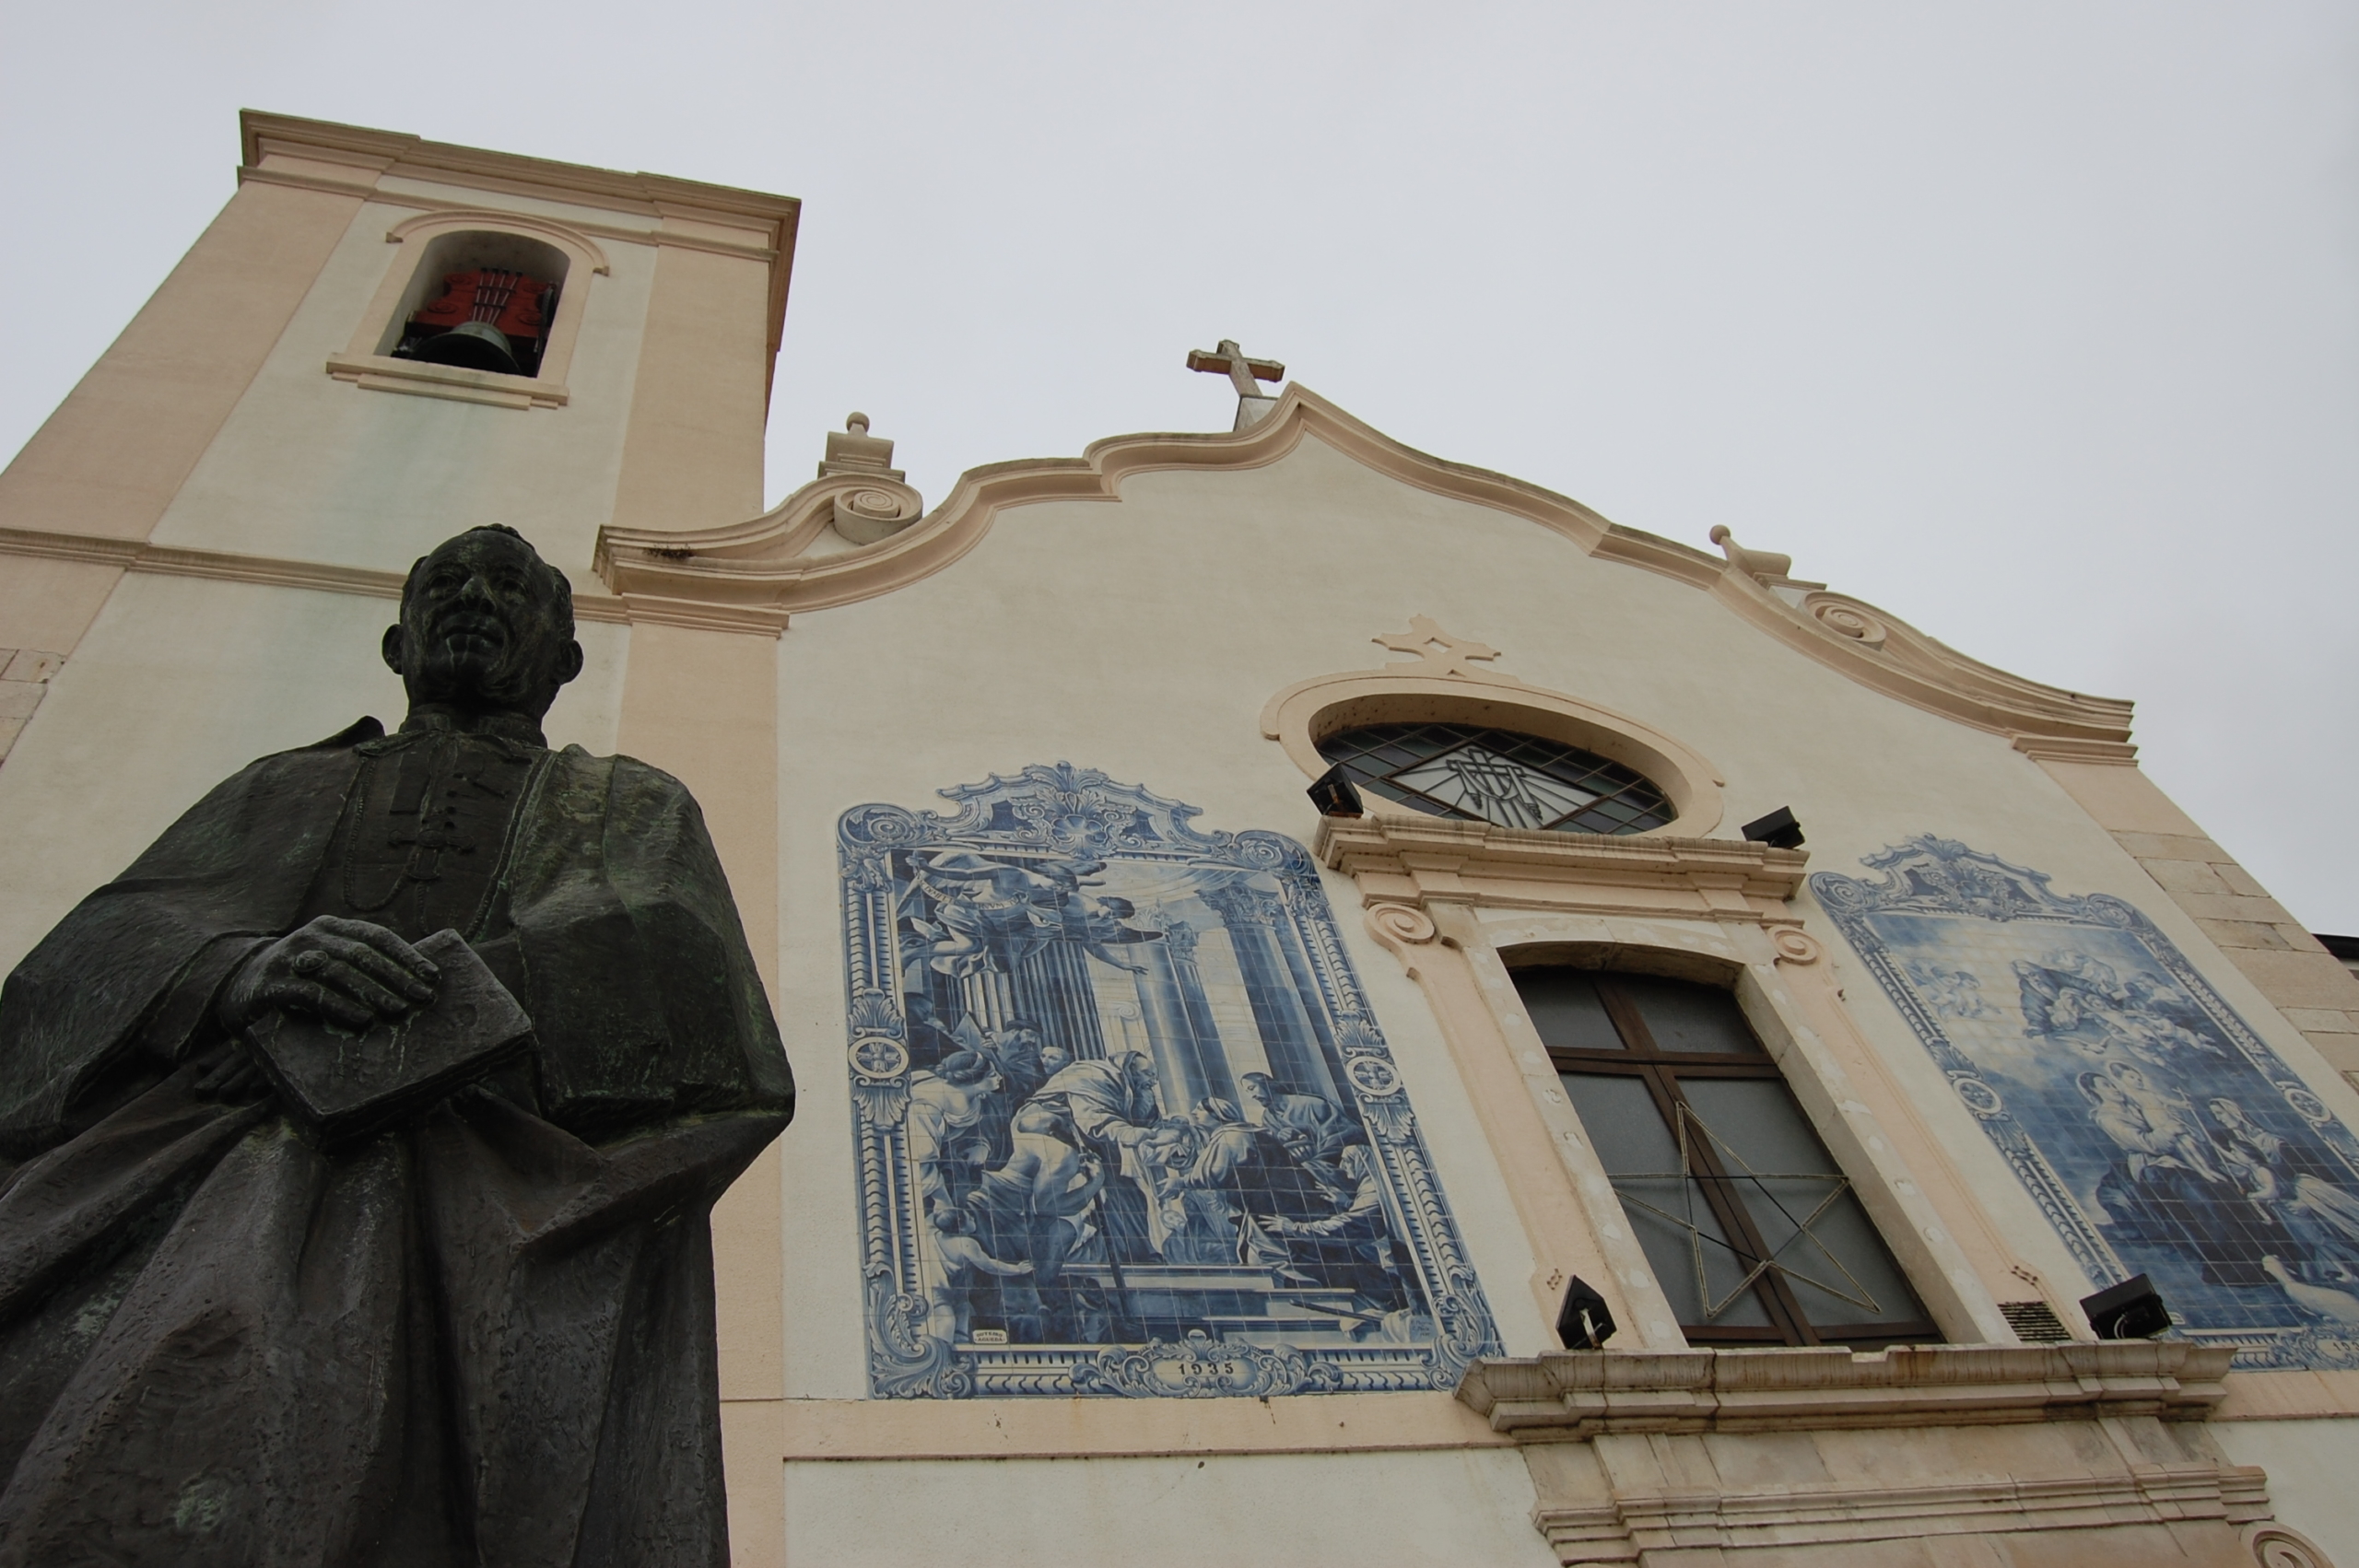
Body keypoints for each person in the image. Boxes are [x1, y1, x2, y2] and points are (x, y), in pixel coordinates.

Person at [0, 526, 793, 1565]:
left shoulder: (626, 805)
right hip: (204, 1163)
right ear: (395, 642)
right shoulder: (276, 784)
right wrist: (240, 973)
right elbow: (81, 962)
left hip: (484, 1198)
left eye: (510, 590)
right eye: (446, 585)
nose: (474, 598)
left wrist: (426, 1010)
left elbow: (695, 997)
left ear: (563, 658)